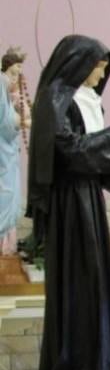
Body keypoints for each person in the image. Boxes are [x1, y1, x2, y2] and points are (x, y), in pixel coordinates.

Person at [27, 35, 110, 370]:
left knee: (97, 282)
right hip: (69, 204)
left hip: (88, 198)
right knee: (79, 281)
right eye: (98, 64)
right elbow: (67, 151)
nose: (103, 71)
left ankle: (99, 367)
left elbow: (91, 159)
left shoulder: (88, 100)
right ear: (78, 63)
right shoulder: (55, 97)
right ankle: (76, 368)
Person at [1, 45, 29, 255]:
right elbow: (7, 124)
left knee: (11, 199)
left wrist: (22, 109)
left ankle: (7, 249)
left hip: (9, 158)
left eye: (17, 75)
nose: (14, 78)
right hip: (2, 156)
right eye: (12, 73)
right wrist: (24, 121)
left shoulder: (10, 97)